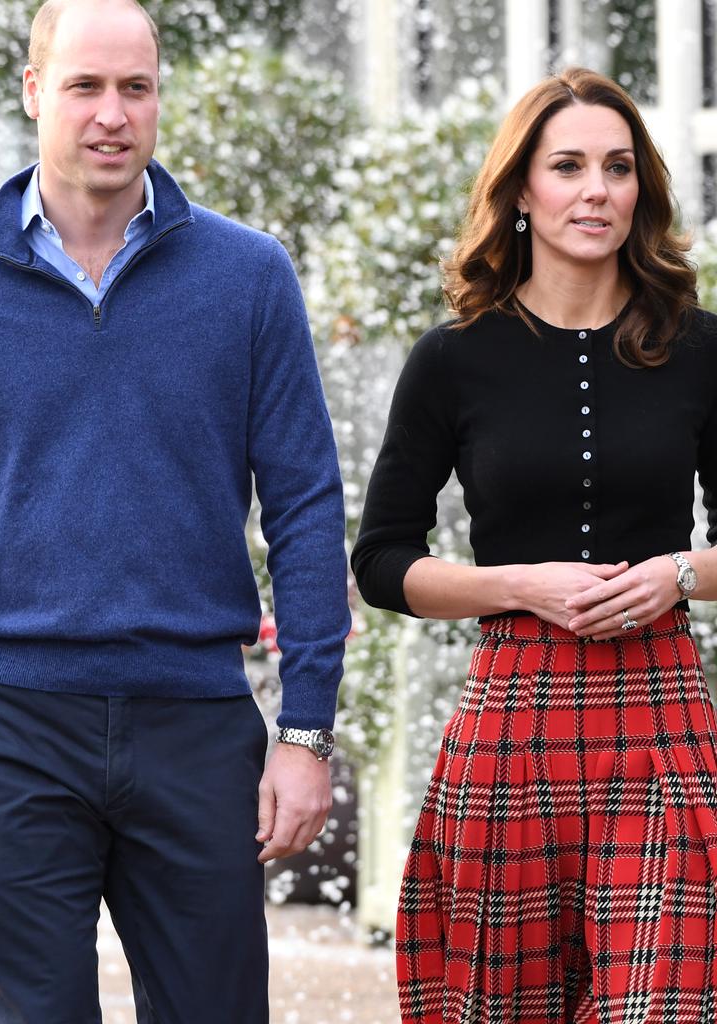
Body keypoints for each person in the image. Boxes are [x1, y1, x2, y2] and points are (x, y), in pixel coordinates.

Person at [0, 1, 350, 1021]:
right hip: (7, 721)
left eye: (136, 87)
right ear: (35, 92)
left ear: (159, 97)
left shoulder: (248, 275)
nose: (112, 114)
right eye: (85, 86)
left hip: (196, 723)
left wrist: (305, 733)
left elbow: (305, 505)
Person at [352, 66, 717, 1023]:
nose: (596, 189)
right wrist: (519, 585)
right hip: (514, 720)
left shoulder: (701, 348)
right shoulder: (453, 359)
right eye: (568, 166)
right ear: (522, 189)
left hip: (660, 719)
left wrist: (676, 575)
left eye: (617, 167)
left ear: (641, 190)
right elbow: (383, 560)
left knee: (671, 1002)